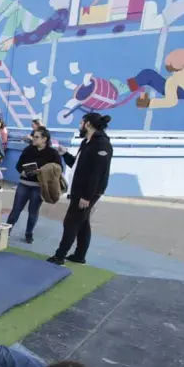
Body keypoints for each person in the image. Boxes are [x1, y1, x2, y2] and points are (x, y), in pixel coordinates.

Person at [48, 112, 113, 266]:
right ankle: (79, 255)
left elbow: (97, 173)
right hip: (78, 189)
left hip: (87, 192)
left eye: (81, 123)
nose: (79, 126)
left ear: (88, 124)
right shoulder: (86, 143)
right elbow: (78, 166)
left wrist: (87, 196)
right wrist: (64, 154)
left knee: (71, 222)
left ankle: (59, 256)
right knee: (82, 222)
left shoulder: (102, 145)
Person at [7, 126, 60, 243]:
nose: (33, 139)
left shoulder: (52, 153)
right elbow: (18, 165)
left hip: (39, 186)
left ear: (44, 139)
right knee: (16, 209)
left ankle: (29, 233)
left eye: (36, 137)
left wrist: (43, 172)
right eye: (33, 137)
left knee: (33, 211)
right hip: (24, 183)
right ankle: (6, 231)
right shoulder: (28, 150)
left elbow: (58, 169)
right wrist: (23, 172)